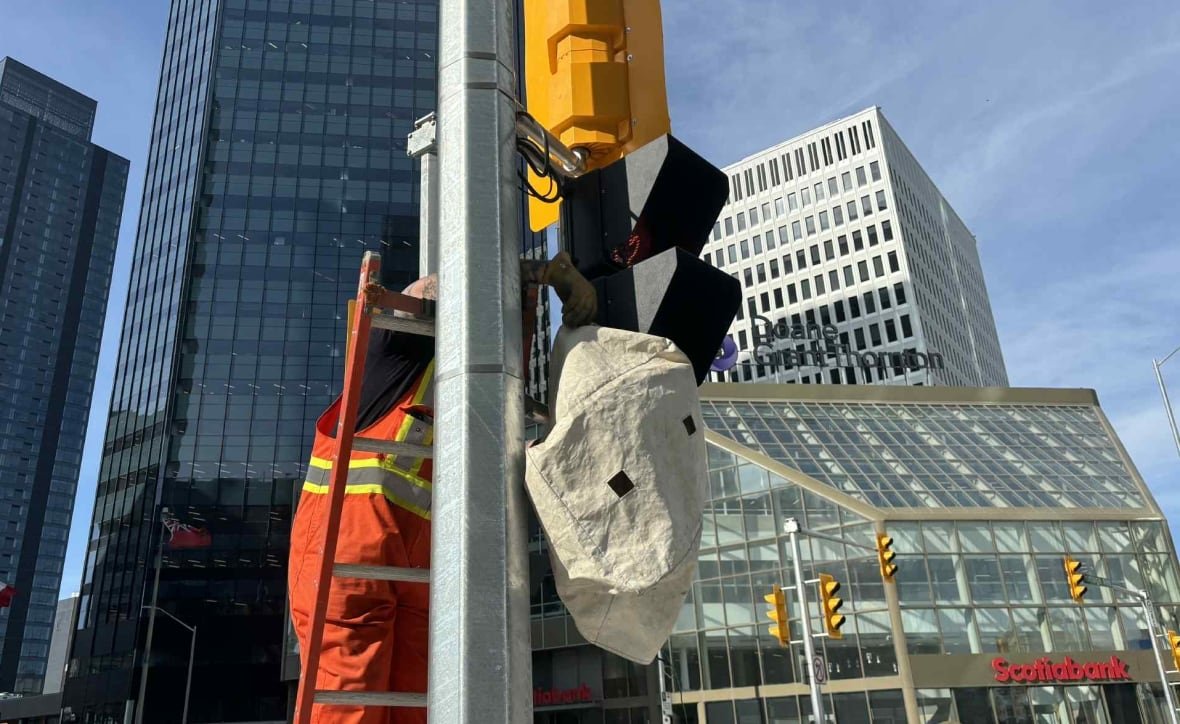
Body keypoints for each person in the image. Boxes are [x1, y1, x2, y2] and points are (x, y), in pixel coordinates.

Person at [288, 251, 595, 724]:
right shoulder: (396, 347)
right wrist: (547, 271)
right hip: (347, 555)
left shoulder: (470, 388)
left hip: (415, 568)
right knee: (350, 708)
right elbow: (436, 288)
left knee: (420, 706)